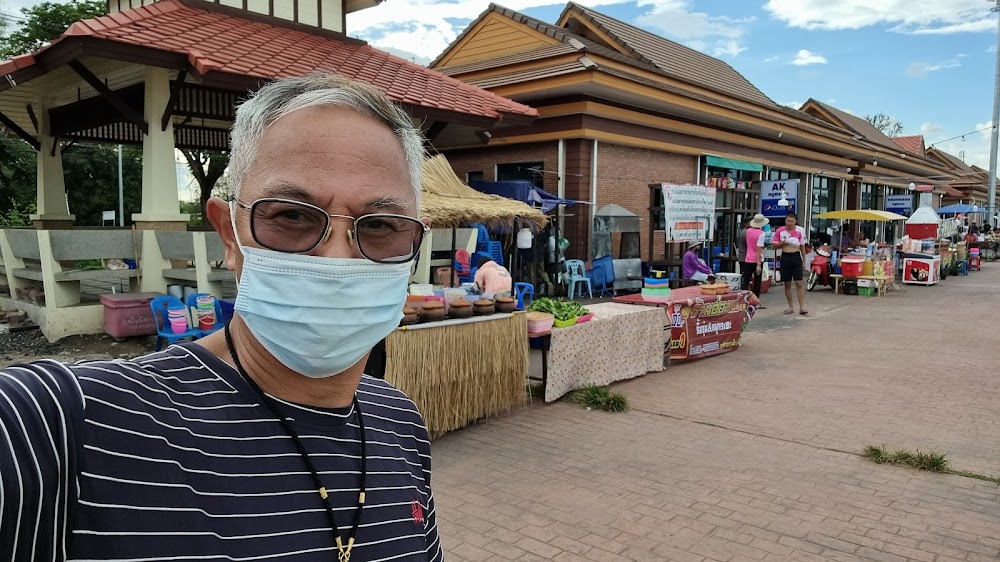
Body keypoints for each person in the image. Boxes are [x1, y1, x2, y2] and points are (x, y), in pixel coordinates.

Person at [0, 74, 444, 561]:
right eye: (292, 216)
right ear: (228, 234)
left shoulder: (400, 422)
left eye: (380, 225)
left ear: (412, 244)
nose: (335, 261)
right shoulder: (62, 419)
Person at [774, 211, 808, 315]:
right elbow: (774, 246)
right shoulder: (780, 231)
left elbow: (803, 246)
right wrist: (784, 242)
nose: (789, 223)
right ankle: (791, 307)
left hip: (796, 256)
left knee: (799, 283)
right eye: (788, 221)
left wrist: (804, 260)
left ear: (795, 221)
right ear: (785, 221)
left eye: (792, 221)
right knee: (787, 284)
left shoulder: (800, 230)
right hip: (785, 256)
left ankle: (802, 307)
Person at [741, 213, 769, 306]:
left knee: (746, 280)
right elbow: (758, 249)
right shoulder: (761, 234)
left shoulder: (748, 231)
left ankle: (742, 299)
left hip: (748, 258)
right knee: (757, 282)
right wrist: (758, 264)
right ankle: (755, 301)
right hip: (757, 260)